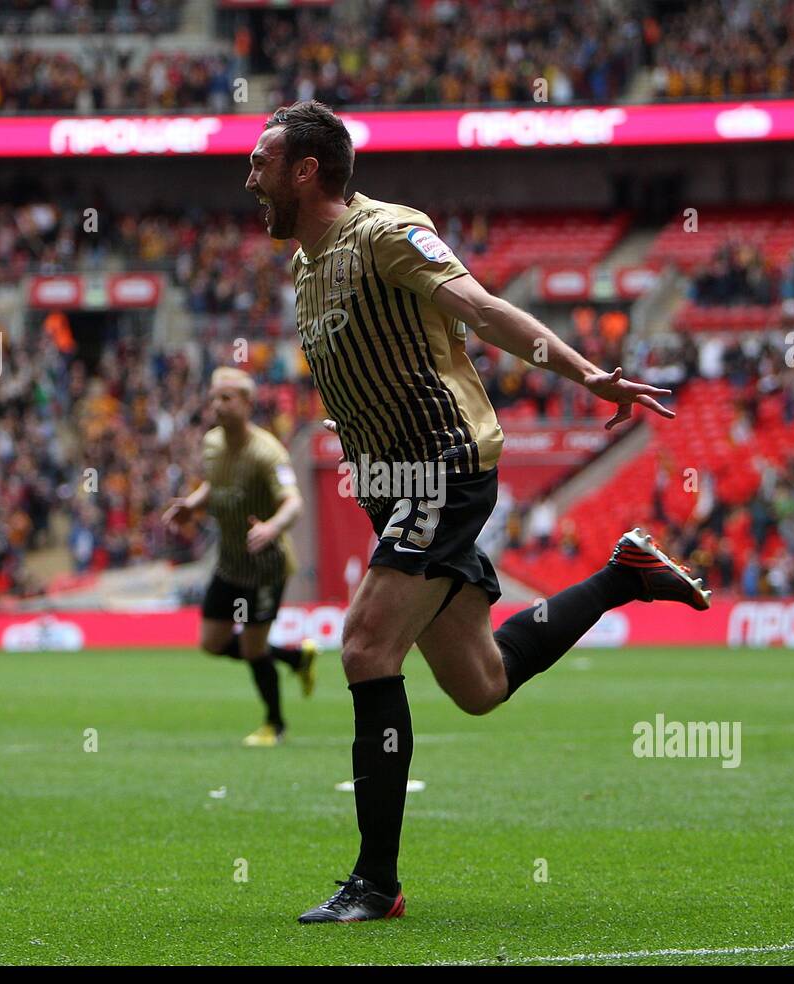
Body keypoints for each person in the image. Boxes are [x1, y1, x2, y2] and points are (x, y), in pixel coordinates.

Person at [247, 100, 711, 923]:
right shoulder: (304, 267)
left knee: (362, 645)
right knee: (480, 683)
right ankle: (623, 575)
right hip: (393, 479)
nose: (250, 176)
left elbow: (484, 311)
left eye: (261, 161)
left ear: (306, 170)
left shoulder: (387, 232)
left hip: (443, 467)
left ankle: (375, 882)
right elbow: (369, 359)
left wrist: (587, 374)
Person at [163, 367, 317, 747]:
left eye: (227, 398)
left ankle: (274, 725)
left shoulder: (268, 453)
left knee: (253, 649)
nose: (218, 405)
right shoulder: (212, 443)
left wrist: (271, 528)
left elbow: (294, 502)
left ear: (248, 404)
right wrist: (192, 505)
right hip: (230, 563)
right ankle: (296, 659)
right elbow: (216, 485)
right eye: (214, 397)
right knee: (212, 642)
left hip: (265, 568)